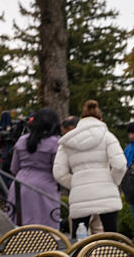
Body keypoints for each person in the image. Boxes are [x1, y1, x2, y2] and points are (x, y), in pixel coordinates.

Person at [54, 100, 127, 236]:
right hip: (106, 192)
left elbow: (59, 172)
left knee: (78, 240)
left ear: (81, 120)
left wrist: (75, 182)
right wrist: (113, 181)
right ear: (101, 119)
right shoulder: (108, 137)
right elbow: (120, 164)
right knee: (112, 238)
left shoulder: (67, 142)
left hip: (80, 194)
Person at [7, 107, 61, 228]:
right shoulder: (56, 142)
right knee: (45, 227)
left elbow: (14, 168)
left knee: (19, 226)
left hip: (19, 184)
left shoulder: (22, 140)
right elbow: (58, 170)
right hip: (44, 187)